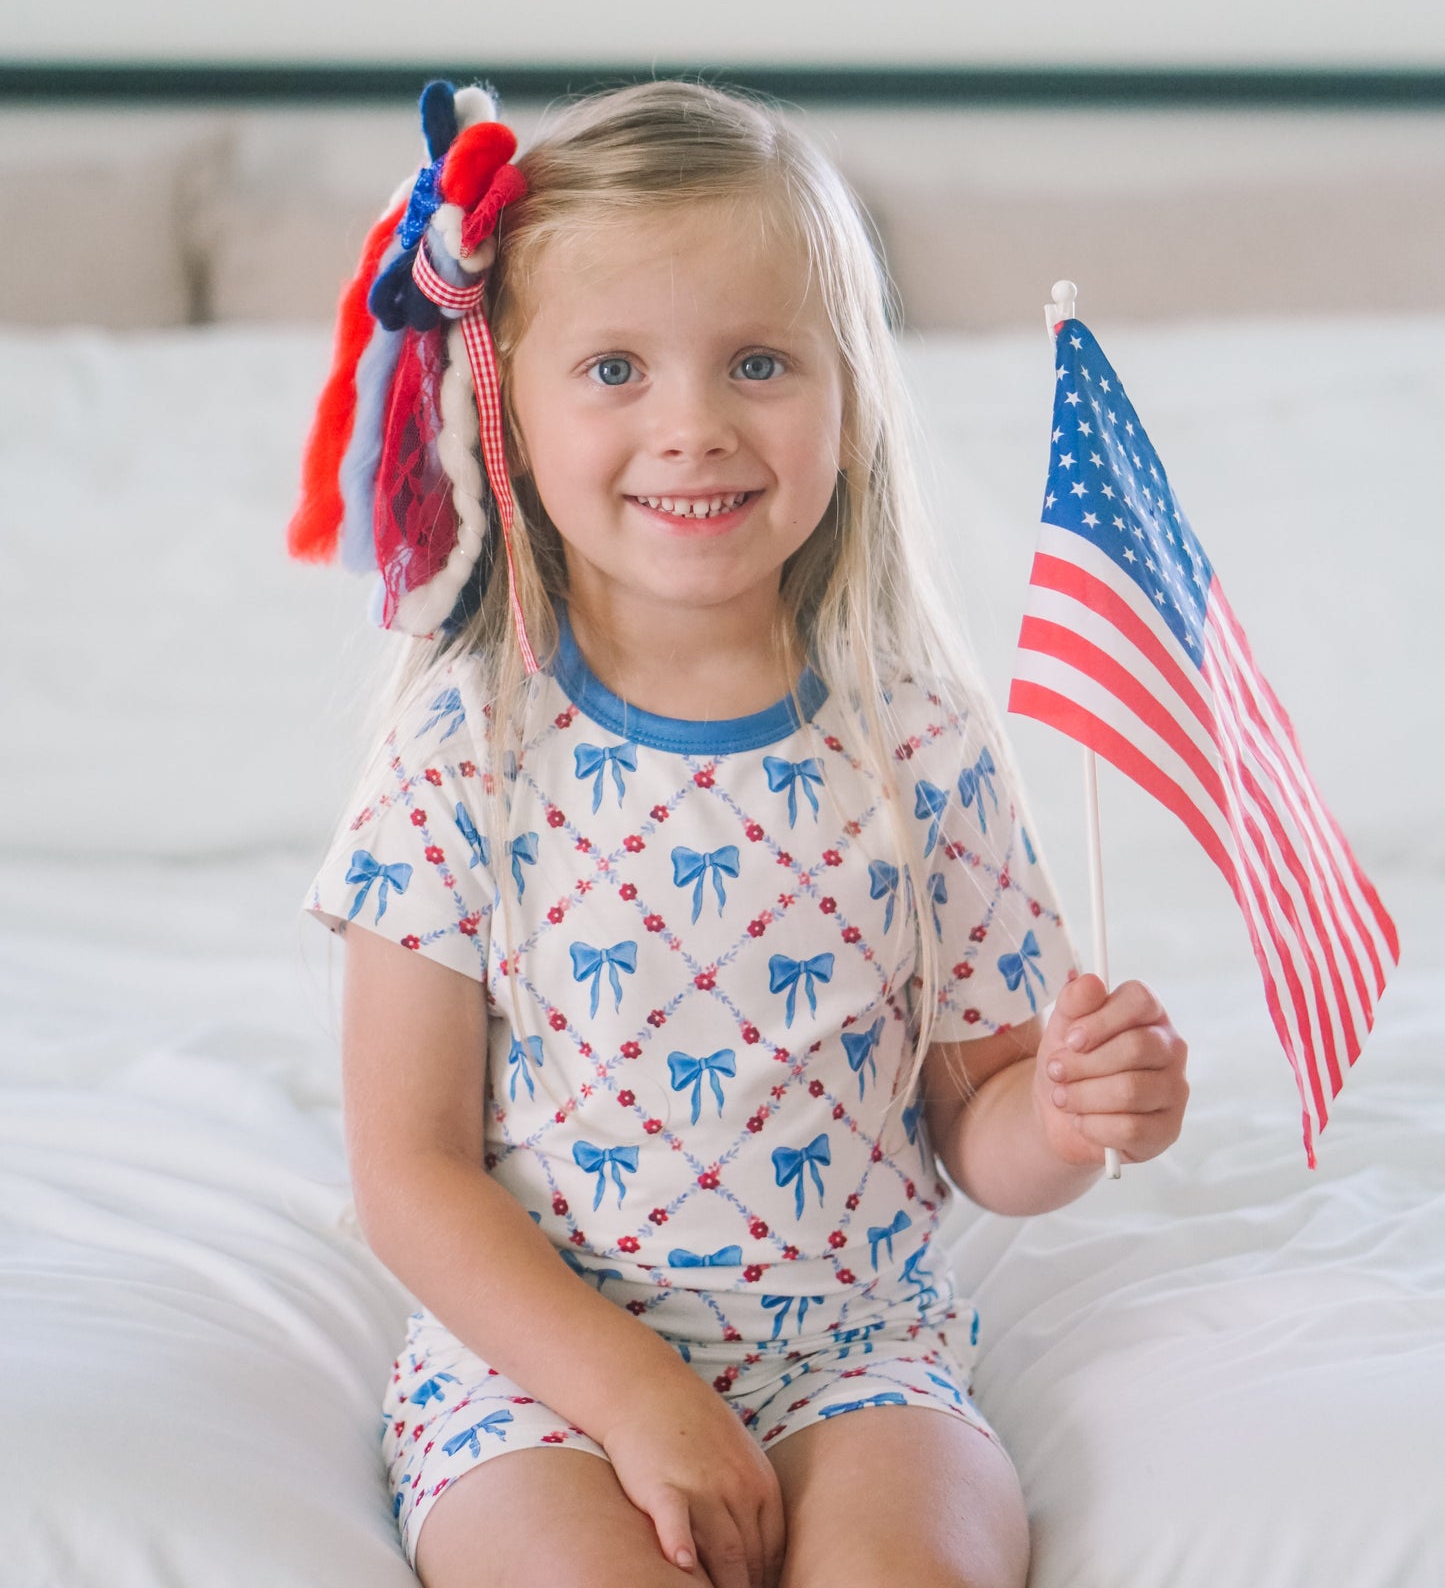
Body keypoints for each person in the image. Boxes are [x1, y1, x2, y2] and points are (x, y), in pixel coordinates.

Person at [297, 79, 1190, 1588]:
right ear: (504, 399)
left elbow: (976, 1121)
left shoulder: (919, 741)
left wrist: (1067, 1121)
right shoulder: (466, 746)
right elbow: (412, 1170)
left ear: (851, 393)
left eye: (760, 361)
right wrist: (639, 1401)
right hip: (542, 1376)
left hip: (855, 1353)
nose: (693, 427)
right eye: (615, 369)